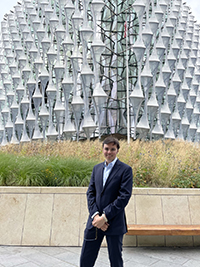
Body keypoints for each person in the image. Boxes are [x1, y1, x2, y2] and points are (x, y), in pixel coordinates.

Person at [80, 136, 133, 267]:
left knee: (116, 261)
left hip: (114, 223)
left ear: (117, 151)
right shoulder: (96, 168)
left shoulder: (125, 170)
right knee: (86, 259)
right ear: (102, 149)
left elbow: (123, 197)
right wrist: (96, 217)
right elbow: (90, 193)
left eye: (112, 149)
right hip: (94, 222)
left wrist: (105, 217)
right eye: (106, 149)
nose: (109, 152)